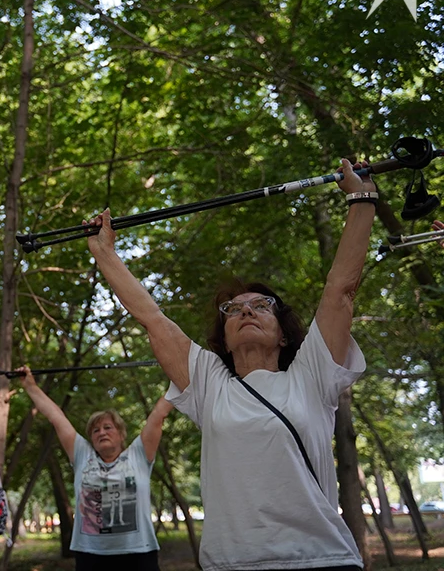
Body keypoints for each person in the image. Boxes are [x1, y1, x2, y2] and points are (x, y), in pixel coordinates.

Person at [83, 158, 375, 571]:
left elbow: (341, 289)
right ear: (223, 338)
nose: (246, 312)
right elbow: (152, 319)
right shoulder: (208, 382)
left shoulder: (313, 373)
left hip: (321, 558)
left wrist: (362, 200)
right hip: (231, 562)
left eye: (261, 306)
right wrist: (104, 252)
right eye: (233, 310)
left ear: (284, 334)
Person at [14, 364, 173, 571]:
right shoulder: (82, 455)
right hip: (91, 555)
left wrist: (180, 374)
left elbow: (159, 414)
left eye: (108, 427)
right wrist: (30, 386)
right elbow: (56, 417)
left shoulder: (138, 454)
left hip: (139, 554)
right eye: (95, 430)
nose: (101, 432)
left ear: (121, 434)